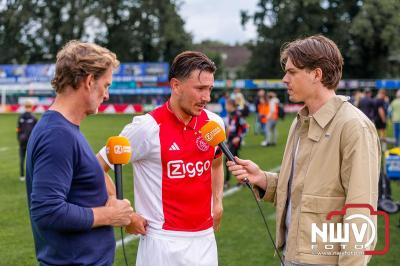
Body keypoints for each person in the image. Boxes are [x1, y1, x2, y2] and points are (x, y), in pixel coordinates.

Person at [227, 35, 380, 265]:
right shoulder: (299, 122)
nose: (284, 79)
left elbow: (361, 212)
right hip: (291, 254)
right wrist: (262, 179)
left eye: (292, 72)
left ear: (316, 74)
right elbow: (305, 192)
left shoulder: (353, 126)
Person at [97, 51, 225, 266]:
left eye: (210, 89)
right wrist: (127, 215)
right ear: (176, 86)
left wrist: (218, 202)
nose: (207, 97)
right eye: (200, 88)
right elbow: (96, 168)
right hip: (162, 243)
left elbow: (216, 164)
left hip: (205, 240)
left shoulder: (214, 123)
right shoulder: (146, 128)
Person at [25, 40, 134, 266]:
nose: (106, 95)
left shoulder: (65, 129)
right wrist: (110, 216)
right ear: (89, 81)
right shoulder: (57, 134)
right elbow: (47, 210)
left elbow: (79, 191)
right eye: (106, 85)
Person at [224, 99, 247, 188]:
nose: (225, 107)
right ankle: (243, 179)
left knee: (229, 160)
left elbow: (245, 128)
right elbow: (230, 128)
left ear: (231, 105)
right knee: (235, 161)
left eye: (227, 105)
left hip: (235, 141)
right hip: (230, 140)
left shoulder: (238, 115)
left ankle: (227, 181)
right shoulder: (230, 115)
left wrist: (239, 137)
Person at [16, 100, 37, 181]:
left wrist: (18, 138)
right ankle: (32, 176)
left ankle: (21, 176)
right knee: (32, 160)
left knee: (22, 158)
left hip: (22, 140)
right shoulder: (34, 117)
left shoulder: (20, 117)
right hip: (30, 141)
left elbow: (18, 129)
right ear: (32, 107)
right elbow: (36, 131)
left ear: (25, 106)